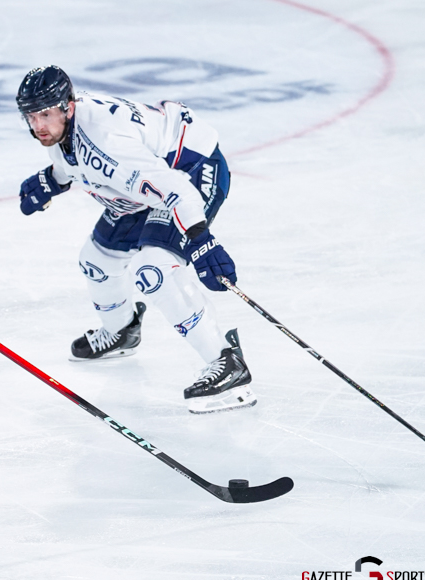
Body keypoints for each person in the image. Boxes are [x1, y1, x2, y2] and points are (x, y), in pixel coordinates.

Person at [15, 65, 255, 414]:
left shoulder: (106, 144)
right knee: (97, 261)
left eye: (46, 114)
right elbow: (74, 162)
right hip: (146, 182)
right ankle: (122, 330)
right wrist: (52, 180)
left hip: (188, 172)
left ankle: (227, 362)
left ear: (68, 106)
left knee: (154, 270)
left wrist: (201, 239)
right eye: (31, 116)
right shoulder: (67, 130)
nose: (38, 126)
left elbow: (175, 190)